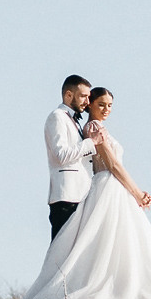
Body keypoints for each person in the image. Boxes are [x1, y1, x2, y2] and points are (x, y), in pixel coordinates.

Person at [19, 86, 151, 299]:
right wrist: (137, 192)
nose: (106, 109)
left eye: (110, 105)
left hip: (112, 188)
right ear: (91, 105)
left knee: (122, 241)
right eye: (101, 104)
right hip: (108, 186)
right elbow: (113, 165)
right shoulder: (93, 127)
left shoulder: (98, 128)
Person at [45, 74, 104, 240]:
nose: (87, 101)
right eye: (83, 96)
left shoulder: (76, 121)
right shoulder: (57, 117)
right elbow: (61, 154)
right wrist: (91, 143)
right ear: (68, 95)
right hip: (66, 197)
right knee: (60, 252)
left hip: (81, 195)